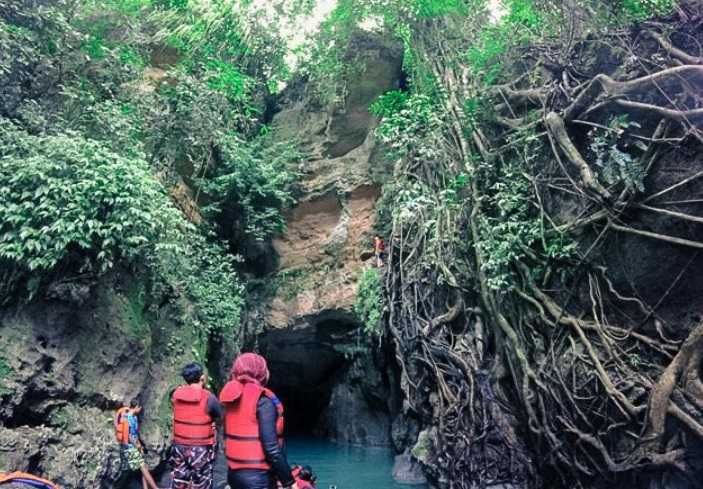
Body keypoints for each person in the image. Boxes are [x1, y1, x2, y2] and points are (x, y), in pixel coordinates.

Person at [219, 353, 299, 489]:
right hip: (258, 478)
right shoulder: (263, 402)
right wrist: (290, 482)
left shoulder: (230, 399)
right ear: (261, 374)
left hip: (234, 475)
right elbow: (272, 449)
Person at [169, 362, 222, 489]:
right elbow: (219, 414)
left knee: (179, 480)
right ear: (202, 377)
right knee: (201, 482)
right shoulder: (208, 397)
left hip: (179, 446)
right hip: (201, 448)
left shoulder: (176, 395)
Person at [115, 399, 161, 489]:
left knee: (144, 467)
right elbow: (127, 435)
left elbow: (135, 434)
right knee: (143, 467)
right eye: (140, 408)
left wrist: (139, 445)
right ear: (136, 407)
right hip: (129, 447)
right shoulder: (127, 418)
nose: (140, 410)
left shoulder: (134, 417)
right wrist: (136, 445)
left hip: (135, 445)